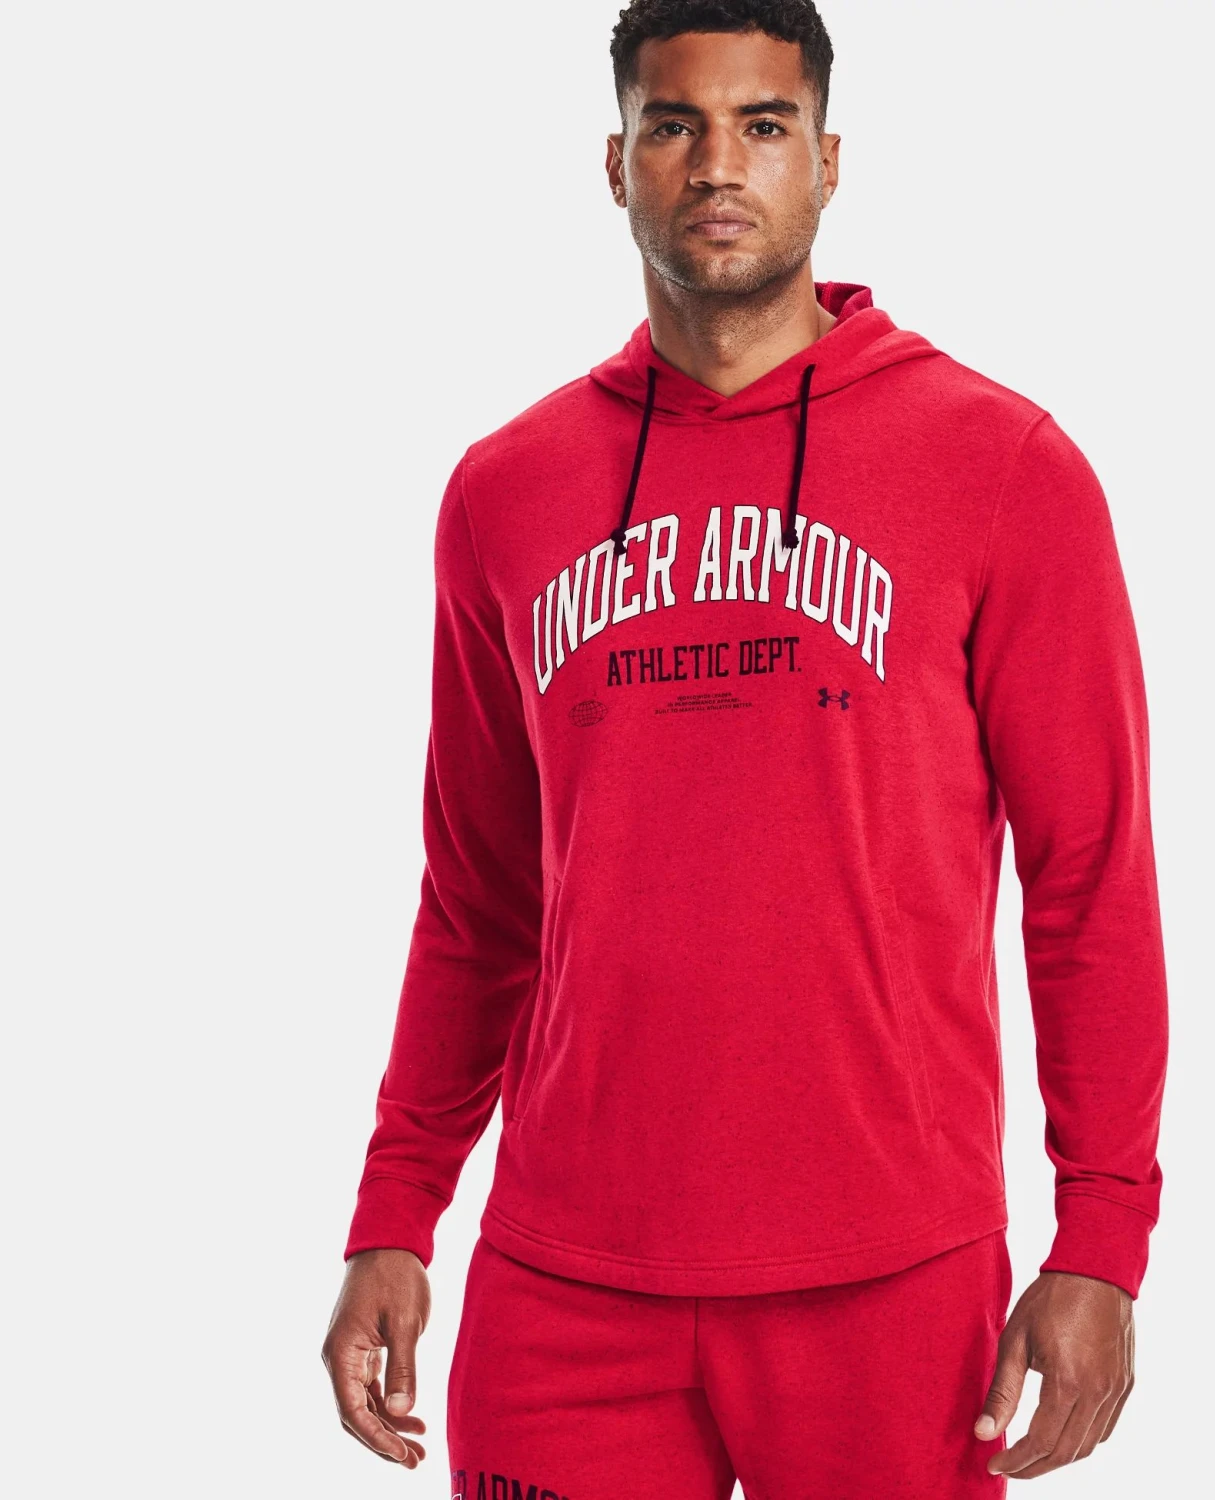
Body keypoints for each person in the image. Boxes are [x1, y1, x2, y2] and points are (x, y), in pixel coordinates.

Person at [321, 2, 1169, 1492]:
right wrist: (398, 1208)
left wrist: (1101, 1238)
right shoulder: (506, 492)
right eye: (676, 125)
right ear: (616, 163)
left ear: (828, 161)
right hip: (566, 1276)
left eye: (763, 125)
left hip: (892, 1275)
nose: (719, 164)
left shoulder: (1003, 467)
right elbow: (476, 898)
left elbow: (1089, 874)